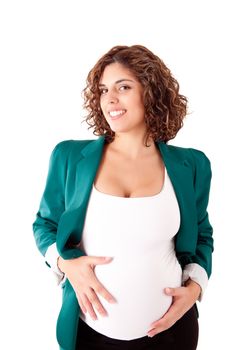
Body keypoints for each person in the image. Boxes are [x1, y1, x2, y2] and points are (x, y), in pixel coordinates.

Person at [32, 45, 213, 350]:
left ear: (151, 93)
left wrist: (195, 288)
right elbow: (44, 224)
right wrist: (65, 263)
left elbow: (202, 235)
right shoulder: (69, 157)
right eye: (103, 90)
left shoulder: (191, 165)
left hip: (170, 334)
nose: (110, 99)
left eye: (123, 87)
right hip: (88, 333)